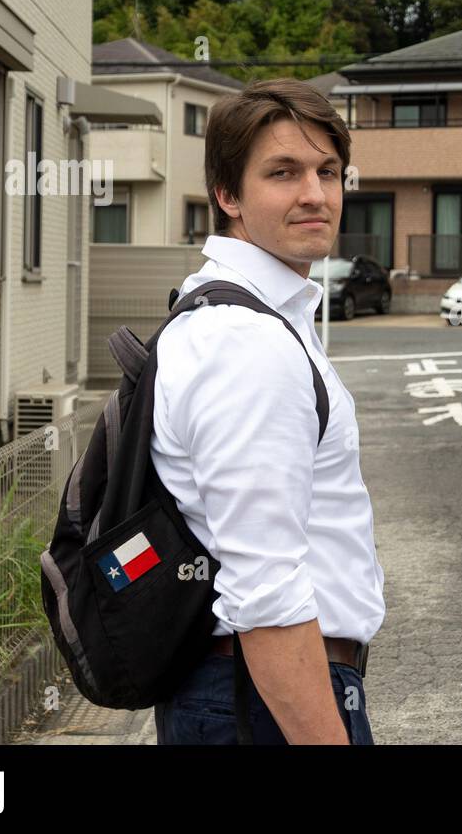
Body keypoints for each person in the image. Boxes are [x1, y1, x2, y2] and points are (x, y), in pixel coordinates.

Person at [151, 78, 385, 744]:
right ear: (228, 195)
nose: (314, 194)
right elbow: (265, 589)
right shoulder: (247, 341)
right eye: (283, 173)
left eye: (328, 171)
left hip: (243, 696)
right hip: (259, 704)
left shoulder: (248, 315)